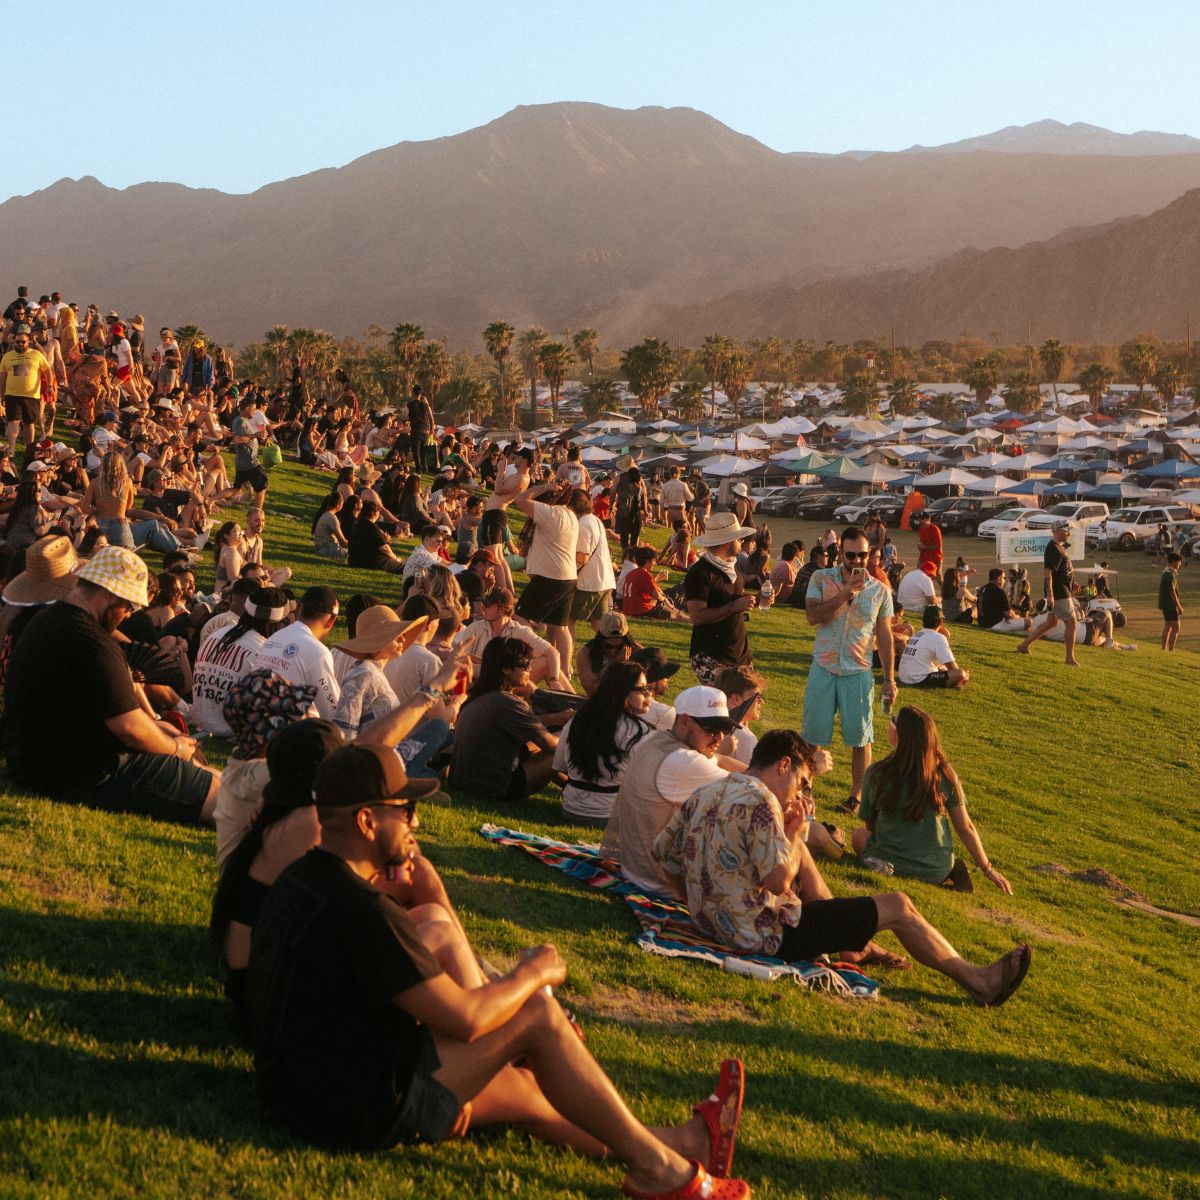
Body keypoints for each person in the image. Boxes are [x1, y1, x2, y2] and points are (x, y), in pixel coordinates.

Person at [245, 742, 750, 1197]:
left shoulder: (303, 878)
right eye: (406, 810)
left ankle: (680, 1145)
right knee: (536, 1017)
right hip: (352, 1108)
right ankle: (662, 1173)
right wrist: (535, 972)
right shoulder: (361, 910)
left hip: (300, 1087)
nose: (416, 822)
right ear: (365, 822)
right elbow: (464, 1019)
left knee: (525, 1092)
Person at [652, 728, 1030, 1007]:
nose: (799, 795)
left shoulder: (709, 789)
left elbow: (663, 854)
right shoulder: (762, 802)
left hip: (711, 922)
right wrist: (793, 830)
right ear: (784, 764)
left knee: (803, 857)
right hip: (761, 936)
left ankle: (852, 942)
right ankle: (979, 982)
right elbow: (778, 879)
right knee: (899, 905)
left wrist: (696, 904)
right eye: (800, 783)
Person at [3, 546, 220, 822]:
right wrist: (174, 748)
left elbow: (106, 710)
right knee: (227, 796)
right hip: (84, 772)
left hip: (44, 763)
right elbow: (128, 728)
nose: (129, 615)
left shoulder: (51, 621)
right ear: (110, 594)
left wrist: (157, 728)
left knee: (218, 780)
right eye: (128, 606)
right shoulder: (91, 642)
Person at [852, 706, 1012, 894]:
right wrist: (987, 869)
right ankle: (949, 871)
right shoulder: (944, 773)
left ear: (898, 734)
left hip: (887, 862)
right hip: (935, 871)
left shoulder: (876, 773)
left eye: (893, 720)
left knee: (858, 835)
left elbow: (871, 826)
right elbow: (965, 827)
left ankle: (890, 862)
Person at [602, 686, 746, 896]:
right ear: (685, 720)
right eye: (712, 729)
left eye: (724, 730)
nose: (719, 738)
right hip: (663, 884)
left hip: (634, 868)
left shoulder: (657, 740)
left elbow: (719, 759)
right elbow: (754, 792)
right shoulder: (684, 762)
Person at [802, 526, 896, 816]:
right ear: (840, 552)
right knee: (812, 735)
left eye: (863, 555)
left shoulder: (880, 591)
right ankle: (805, 788)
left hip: (859, 671)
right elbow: (812, 617)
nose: (857, 561)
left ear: (871, 555)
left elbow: (885, 636)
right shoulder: (821, 578)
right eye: (851, 555)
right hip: (825, 666)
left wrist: (890, 679)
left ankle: (856, 796)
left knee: (861, 737)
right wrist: (844, 594)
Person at [449, 637, 562, 803]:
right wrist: (568, 734)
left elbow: (525, 725)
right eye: (525, 665)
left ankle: (569, 787)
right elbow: (550, 744)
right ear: (505, 669)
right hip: (492, 788)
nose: (530, 669)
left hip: (462, 782)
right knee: (560, 752)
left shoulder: (477, 696)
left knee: (535, 748)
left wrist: (557, 718)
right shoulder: (508, 702)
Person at [553, 661, 653, 827]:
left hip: (570, 810)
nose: (649, 694)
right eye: (642, 689)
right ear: (623, 693)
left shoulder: (578, 720)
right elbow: (648, 784)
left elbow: (558, 765)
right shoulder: (638, 731)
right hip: (611, 816)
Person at [514, 479, 579, 676]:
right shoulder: (571, 516)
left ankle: (536, 654)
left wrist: (545, 488)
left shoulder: (550, 513)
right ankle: (565, 669)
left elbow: (521, 498)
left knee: (519, 616)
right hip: (568, 576)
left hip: (550, 575)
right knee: (560, 626)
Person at [683, 511, 757, 686]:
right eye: (738, 539)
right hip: (712, 656)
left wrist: (754, 600)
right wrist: (734, 606)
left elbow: (728, 597)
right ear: (726, 543)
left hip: (739, 652)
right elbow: (697, 616)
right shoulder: (700, 573)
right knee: (722, 708)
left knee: (747, 706)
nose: (742, 542)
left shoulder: (732, 566)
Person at [454, 586, 566, 688]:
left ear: (502, 609)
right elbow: (457, 659)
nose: (482, 608)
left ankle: (572, 701)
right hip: (479, 683)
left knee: (547, 663)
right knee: (532, 685)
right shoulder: (476, 628)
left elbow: (553, 653)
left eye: (487, 605)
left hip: (507, 683)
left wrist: (554, 680)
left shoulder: (520, 631)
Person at [255, 586, 341, 718]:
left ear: (299, 609)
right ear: (331, 621)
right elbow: (333, 712)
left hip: (257, 723)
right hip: (289, 731)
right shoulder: (317, 652)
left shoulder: (275, 637)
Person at [1017, 521, 1078, 666]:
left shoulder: (1060, 548)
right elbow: (1047, 574)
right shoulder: (1053, 549)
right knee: (1071, 623)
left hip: (1063, 590)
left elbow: (1061, 571)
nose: (1068, 533)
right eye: (1066, 530)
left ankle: (1024, 646)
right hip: (1059, 593)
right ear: (1057, 531)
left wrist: (1072, 582)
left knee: (1052, 622)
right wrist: (1050, 595)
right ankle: (1069, 659)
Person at [1, 323, 52, 453]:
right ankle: (11, 450)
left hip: (31, 395)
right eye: (17, 342)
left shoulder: (37, 355)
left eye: (23, 342)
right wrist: (1, 394)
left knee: (29, 423)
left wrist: (50, 386)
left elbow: (48, 371)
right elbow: (2, 377)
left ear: (28, 341)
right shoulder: (7, 356)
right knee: (13, 422)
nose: (20, 344)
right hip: (12, 394)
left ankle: (29, 450)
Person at [571, 487, 617, 628]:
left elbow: (582, 558)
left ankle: (565, 651)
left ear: (572, 506)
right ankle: (619, 648)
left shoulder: (583, 524)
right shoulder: (594, 520)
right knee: (601, 627)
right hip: (604, 580)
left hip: (589, 583)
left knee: (566, 622)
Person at [897, 606, 969, 690]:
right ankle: (957, 684)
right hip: (919, 679)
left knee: (943, 667)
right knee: (960, 674)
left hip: (904, 677)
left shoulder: (917, 634)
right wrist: (964, 675)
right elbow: (952, 667)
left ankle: (956, 684)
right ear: (941, 622)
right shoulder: (938, 637)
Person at [575, 611, 640, 696]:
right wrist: (616, 666)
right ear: (600, 641)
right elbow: (593, 692)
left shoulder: (637, 651)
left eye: (619, 646)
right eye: (608, 646)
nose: (613, 651)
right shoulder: (585, 654)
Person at [621, 546, 680, 620]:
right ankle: (694, 620)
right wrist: (667, 603)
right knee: (678, 616)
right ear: (647, 561)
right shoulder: (645, 574)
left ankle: (673, 609)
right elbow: (657, 595)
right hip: (641, 610)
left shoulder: (632, 573)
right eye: (654, 561)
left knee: (662, 601)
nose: (655, 564)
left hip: (628, 609)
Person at [348, 501, 405, 573]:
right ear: (375, 513)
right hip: (370, 561)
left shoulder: (360, 523)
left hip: (354, 560)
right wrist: (395, 558)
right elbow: (384, 548)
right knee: (403, 567)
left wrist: (386, 540)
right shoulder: (371, 526)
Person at [976, 568, 1033, 633]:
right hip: (995, 624)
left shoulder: (982, 589)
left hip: (982, 623)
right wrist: (1017, 617)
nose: (1005, 580)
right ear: (999, 579)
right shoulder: (999, 591)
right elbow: (1009, 614)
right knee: (1029, 622)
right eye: (1004, 578)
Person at [1159, 552, 1183, 651]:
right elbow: (1172, 593)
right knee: (1176, 628)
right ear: (1173, 562)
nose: (1179, 565)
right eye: (1178, 563)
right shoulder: (1170, 575)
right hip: (1170, 605)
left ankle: (1163, 649)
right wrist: (1179, 606)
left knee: (1168, 626)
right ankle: (1171, 650)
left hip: (1164, 604)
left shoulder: (1165, 572)